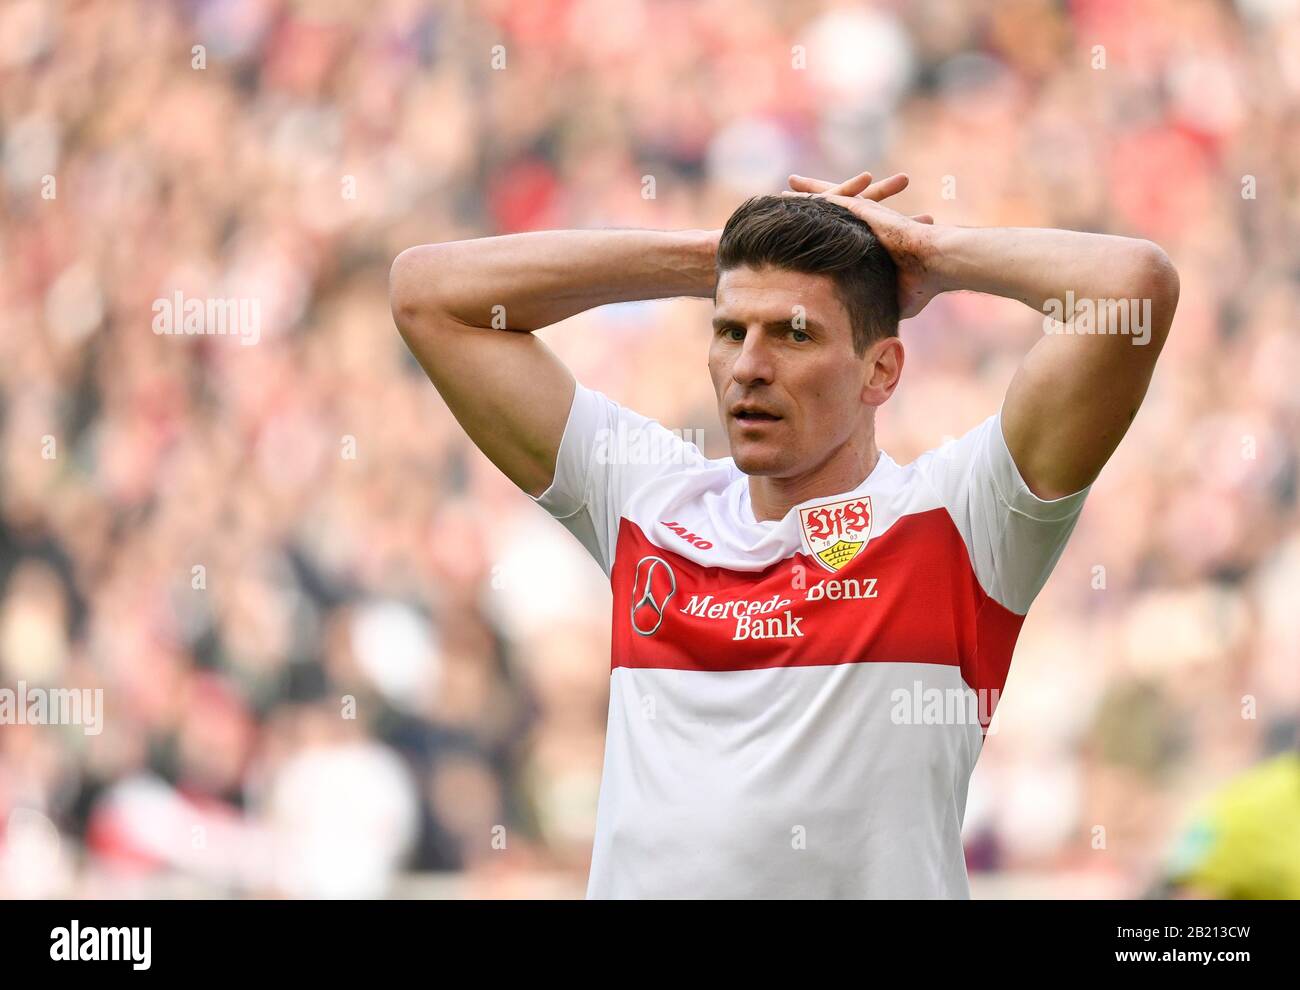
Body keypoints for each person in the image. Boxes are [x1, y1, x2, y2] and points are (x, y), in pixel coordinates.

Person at [388, 170, 1180, 898]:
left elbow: (1133, 289)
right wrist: (713, 258)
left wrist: (932, 256)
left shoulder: (960, 519)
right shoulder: (648, 499)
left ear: (882, 371)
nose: (749, 367)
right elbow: (429, 294)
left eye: (794, 334)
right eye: (731, 331)